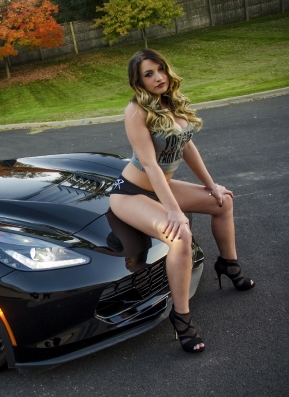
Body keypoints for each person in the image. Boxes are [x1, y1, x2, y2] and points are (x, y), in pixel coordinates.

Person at [109, 49, 255, 354]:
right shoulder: (136, 112)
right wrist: (174, 212)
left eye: (160, 69)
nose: (158, 77)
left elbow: (187, 148)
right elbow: (149, 165)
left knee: (223, 202)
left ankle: (228, 264)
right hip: (131, 193)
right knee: (181, 234)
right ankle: (182, 316)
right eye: (149, 74)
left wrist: (211, 186)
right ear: (138, 81)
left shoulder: (171, 101)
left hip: (164, 185)